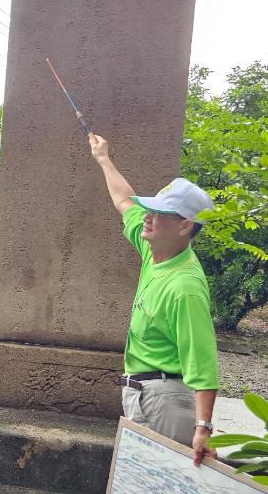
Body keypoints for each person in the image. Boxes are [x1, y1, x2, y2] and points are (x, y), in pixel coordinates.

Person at [89, 133, 218, 466]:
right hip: (139, 394)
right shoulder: (154, 250)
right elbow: (125, 200)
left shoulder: (184, 286)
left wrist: (203, 427)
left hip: (167, 401)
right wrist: (103, 158)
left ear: (184, 226)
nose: (148, 215)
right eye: (151, 208)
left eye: (160, 213)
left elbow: (202, 363)